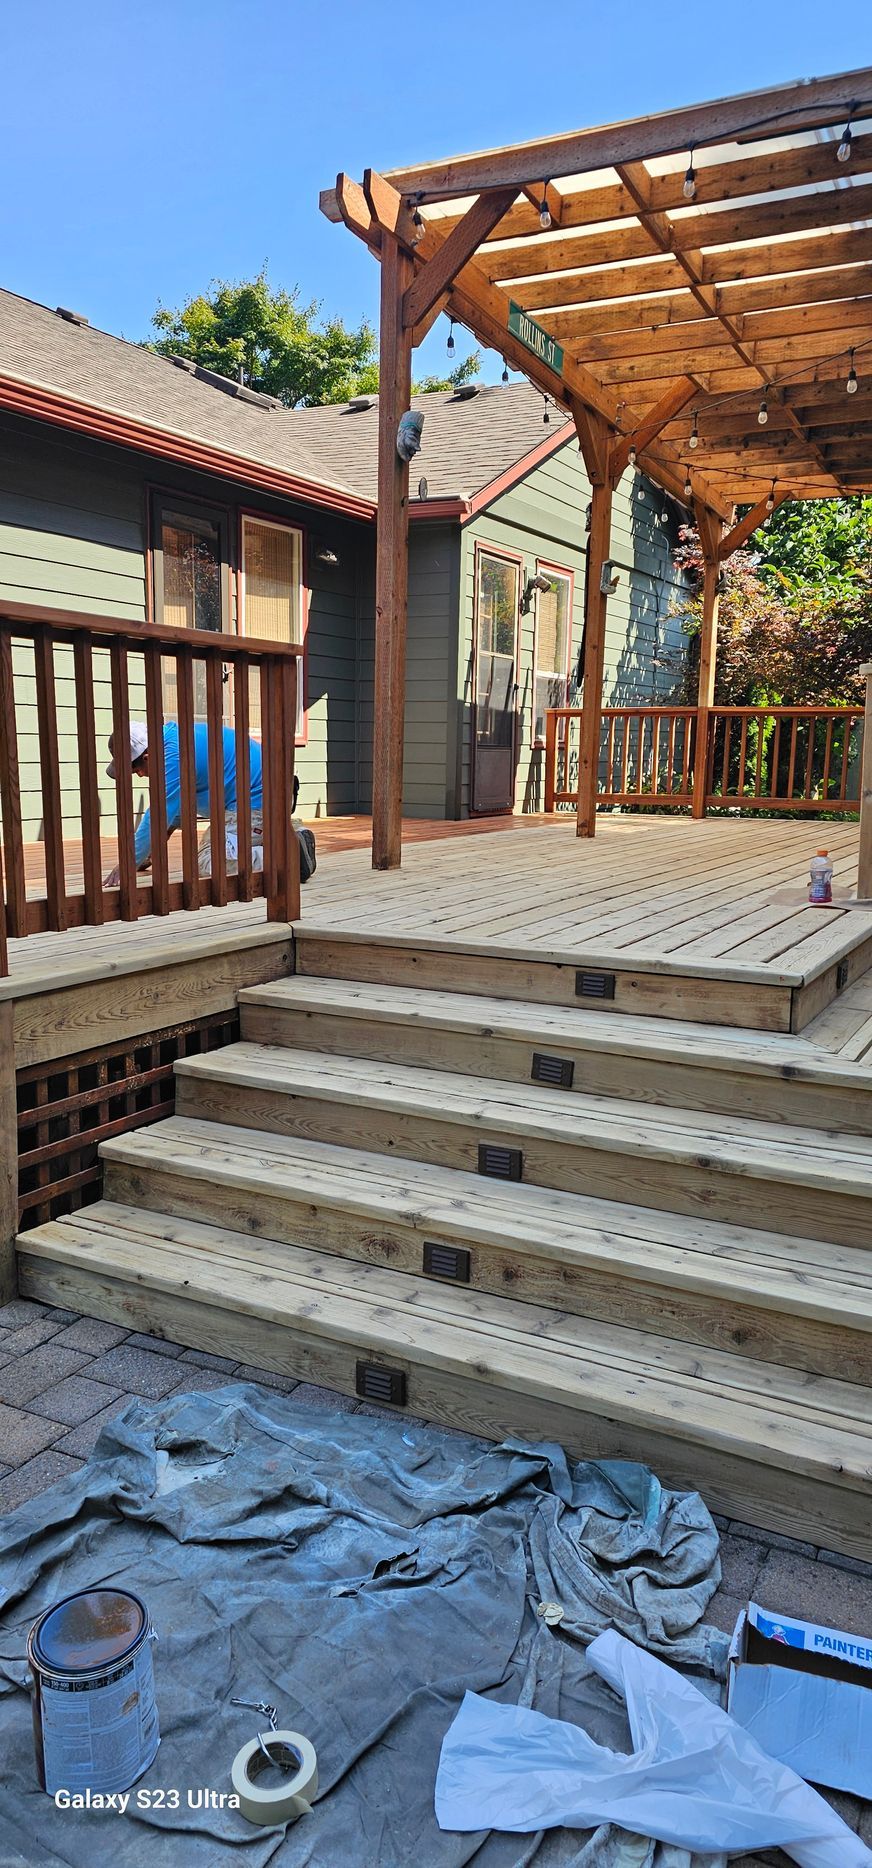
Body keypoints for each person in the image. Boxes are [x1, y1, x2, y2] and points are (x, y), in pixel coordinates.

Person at [103, 720, 263, 886]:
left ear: (147, 758)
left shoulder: (174, 755)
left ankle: (277, 856)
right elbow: (179, 802)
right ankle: (274, 840)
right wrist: (151, 846)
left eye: (138, 771)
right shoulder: (173, 739)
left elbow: (158, 814)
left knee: (208, 862)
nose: (141, 775)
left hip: (255, 803)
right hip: (256, 798)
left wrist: (127, 864)